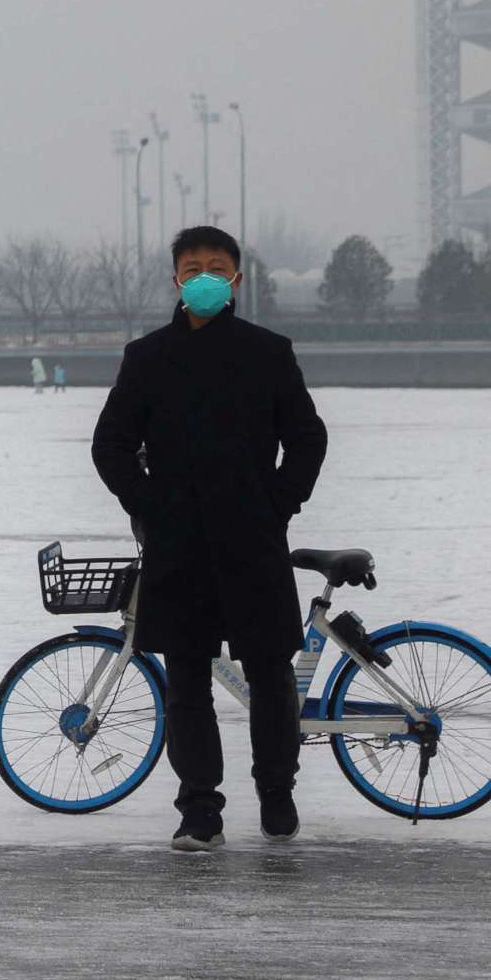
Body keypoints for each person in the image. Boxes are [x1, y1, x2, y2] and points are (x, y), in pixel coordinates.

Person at [90, 225, 328, 854]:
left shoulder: (268, 353)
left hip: (253, 543)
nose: (203, 276)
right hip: (179, 546)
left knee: (271, 676)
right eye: (192, 266)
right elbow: (109, 444)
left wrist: (278, 503)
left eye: (216, 267)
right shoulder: (147, 358)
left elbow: (308, 438)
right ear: (175, 278)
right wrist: (149, 506)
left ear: (236, 281)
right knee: (186, 679)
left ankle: (277, 795)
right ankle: (200, 809)